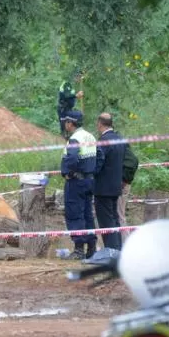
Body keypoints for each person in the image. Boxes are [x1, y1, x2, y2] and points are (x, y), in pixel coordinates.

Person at [60, 110, 97, 259]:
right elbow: (99, 155)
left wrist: (68, 173)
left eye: (66, 122)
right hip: (89, 180)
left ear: (70, 123)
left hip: (76, 181)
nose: (65, 125)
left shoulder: (74, 139)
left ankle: (79, 250)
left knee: (75, 214)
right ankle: (92, 247)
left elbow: (73, 158)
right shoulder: (90, 136)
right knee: (88, 214)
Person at [93, 113, 124, 251]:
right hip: (116, 186)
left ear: (100, 123)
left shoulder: (103, 141)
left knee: (106, 221)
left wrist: (89, 171)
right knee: (115, 219)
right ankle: (118, 248)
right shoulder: (119, 139)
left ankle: (111, 251)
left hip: (103, 188)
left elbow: (98, 164)